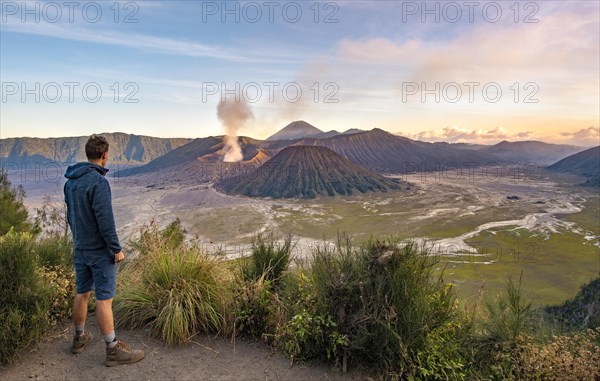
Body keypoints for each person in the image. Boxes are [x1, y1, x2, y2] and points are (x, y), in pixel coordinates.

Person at [64, 134, 144, 366]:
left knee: (82, 293)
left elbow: (70, 216)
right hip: (99, 251)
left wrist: (79, 239)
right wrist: (116, 248)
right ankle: (112, 349)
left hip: (80, 247)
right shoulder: (99, 183)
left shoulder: (71, 182)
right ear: (104, 155)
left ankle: (79, 338)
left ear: (88, 153)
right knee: (104, 299)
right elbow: (105, 221)